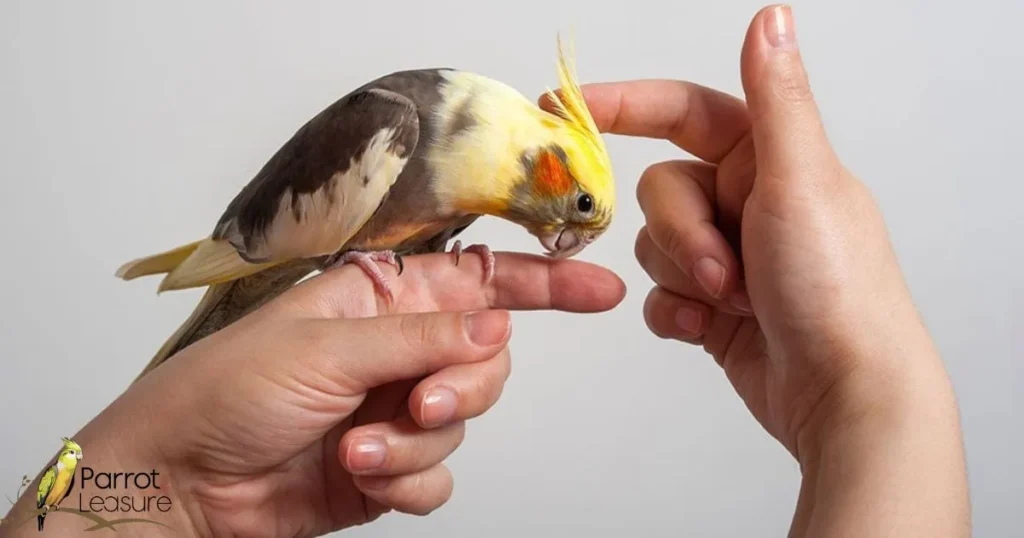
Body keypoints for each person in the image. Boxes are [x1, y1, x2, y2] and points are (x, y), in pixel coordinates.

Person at [1, 4, 970, 537]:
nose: (572, 230)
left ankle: (79, 494)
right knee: (189, 357)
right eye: (579, 212)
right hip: (276, 244)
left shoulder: (481, 169)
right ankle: (84, 487)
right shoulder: (407, 126)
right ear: (555, 168)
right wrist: (868, 403)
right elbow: (335, 230)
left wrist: (166, 495)